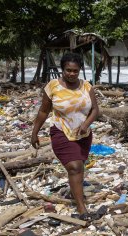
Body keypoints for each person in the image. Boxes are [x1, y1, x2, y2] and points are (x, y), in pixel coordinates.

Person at [31, 52, 99, 219]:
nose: (71, 74)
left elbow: (95, 110)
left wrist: (86, 124)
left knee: (79, 167)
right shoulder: (53, 86)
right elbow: (43, 111)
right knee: (75, 167)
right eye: (68, 70)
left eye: (75, 71)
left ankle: (75, 193)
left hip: (83, 134)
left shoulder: (86, 87)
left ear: (79, 70)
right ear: (62, 69)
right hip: (61, 131)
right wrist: (34, 133)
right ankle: (82, 209)